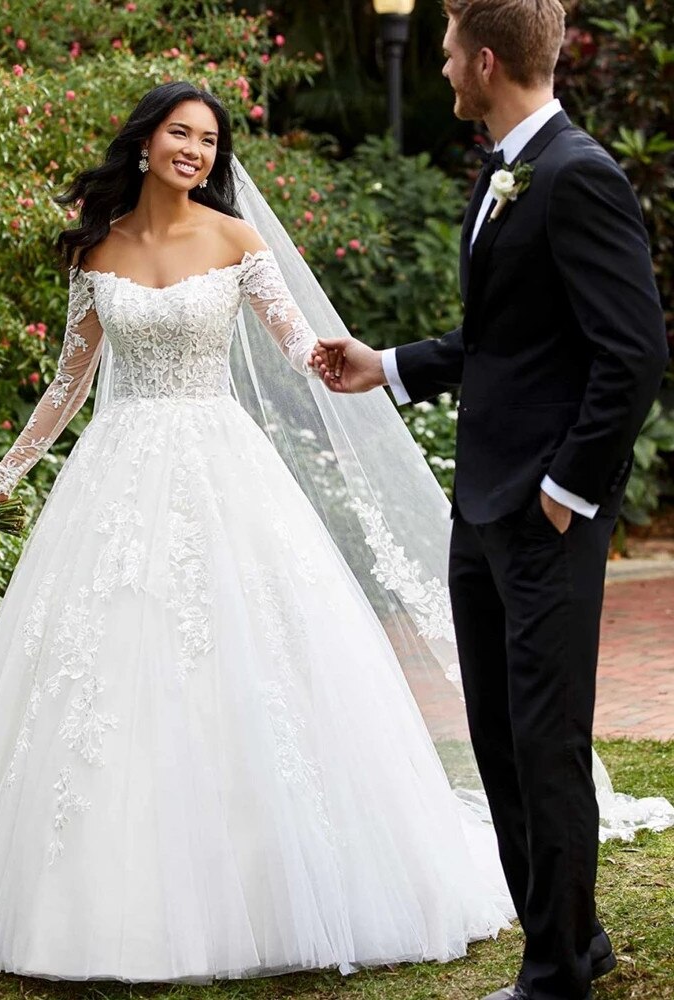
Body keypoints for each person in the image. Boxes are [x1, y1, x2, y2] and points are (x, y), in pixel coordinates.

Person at [0, 80, 518, 982]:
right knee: (105, 662)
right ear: (145, 143)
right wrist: (2, 476)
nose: (197, 151)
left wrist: (365, 369)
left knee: (244, 652)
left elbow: (303, 348)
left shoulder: (238, 241)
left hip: (221, 465)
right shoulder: (97, 253)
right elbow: (69, 383)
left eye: (211, 141)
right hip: (117, 470)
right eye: (181, 134)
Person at [313, 2, 670, 999]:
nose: (438, 72)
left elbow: (632, 356)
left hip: (540, 516)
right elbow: (507, 343)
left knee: (544, 741)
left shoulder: (577, 174)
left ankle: (554, 974)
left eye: (444, 55)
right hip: (483, 509)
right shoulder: (510, 169)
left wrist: (564, 492)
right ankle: (574, 934)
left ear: (483, 60)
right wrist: (384, 365)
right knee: (500, 735)